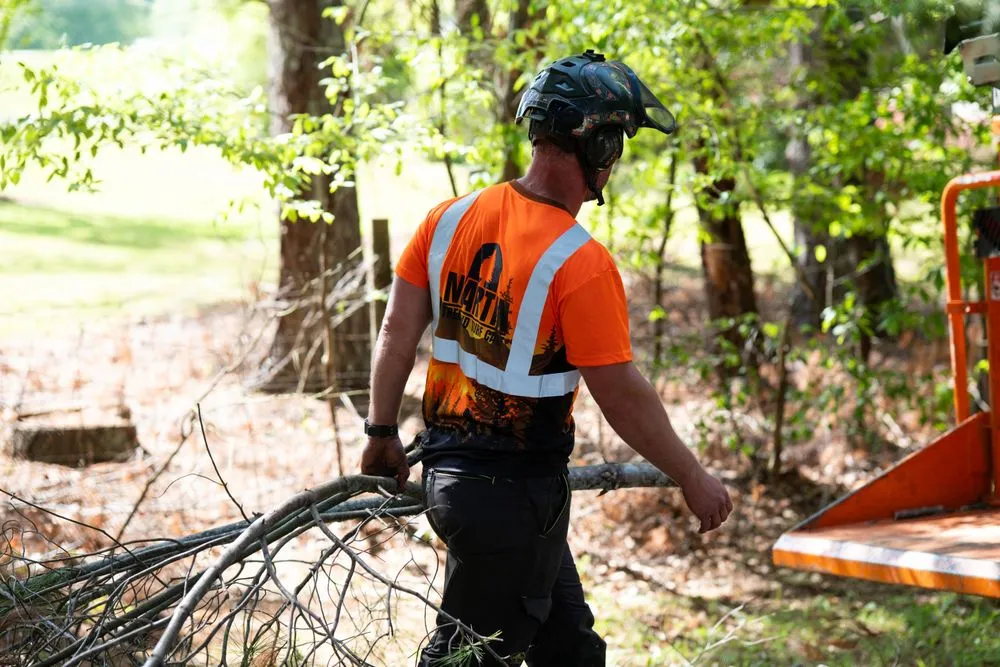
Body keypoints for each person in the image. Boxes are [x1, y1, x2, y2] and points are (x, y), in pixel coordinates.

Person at [360, 50, 733, 667]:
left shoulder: (446, 220)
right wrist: (691, 475)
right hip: (510, 501)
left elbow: (396, 332)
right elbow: (621, 395)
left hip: (459, 485)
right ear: (600, 144)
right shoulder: (580, 263)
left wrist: (380, 432)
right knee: (466, 659)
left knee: (570, 651)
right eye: (616, 143)